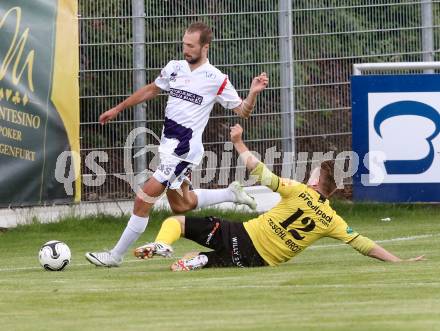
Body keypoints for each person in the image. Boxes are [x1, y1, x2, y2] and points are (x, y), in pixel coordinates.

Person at [85, 22, 269, 267]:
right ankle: (230, 193)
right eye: (184, 44)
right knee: (181, 204)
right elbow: (152, 89)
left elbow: (243, 111)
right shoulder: (174, 68)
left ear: (205, 47)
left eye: (191, 46)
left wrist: (254, 92)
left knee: (143, 199)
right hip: (168, 147)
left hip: (183, 151)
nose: (186, 49)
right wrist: (118, 108)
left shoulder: (216, 78)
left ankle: (114, 256)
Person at [134, 124, 425, 271]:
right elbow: (364, 245)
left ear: (314, 182)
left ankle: (163, 243)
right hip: (258, 261)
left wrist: (237, 142)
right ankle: (200, 262)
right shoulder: (331, 219)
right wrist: (399, 261)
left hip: (244, 235)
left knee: (179, 222)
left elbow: (260, 173)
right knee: (199, 258)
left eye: (311, 174)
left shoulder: (298, 191)